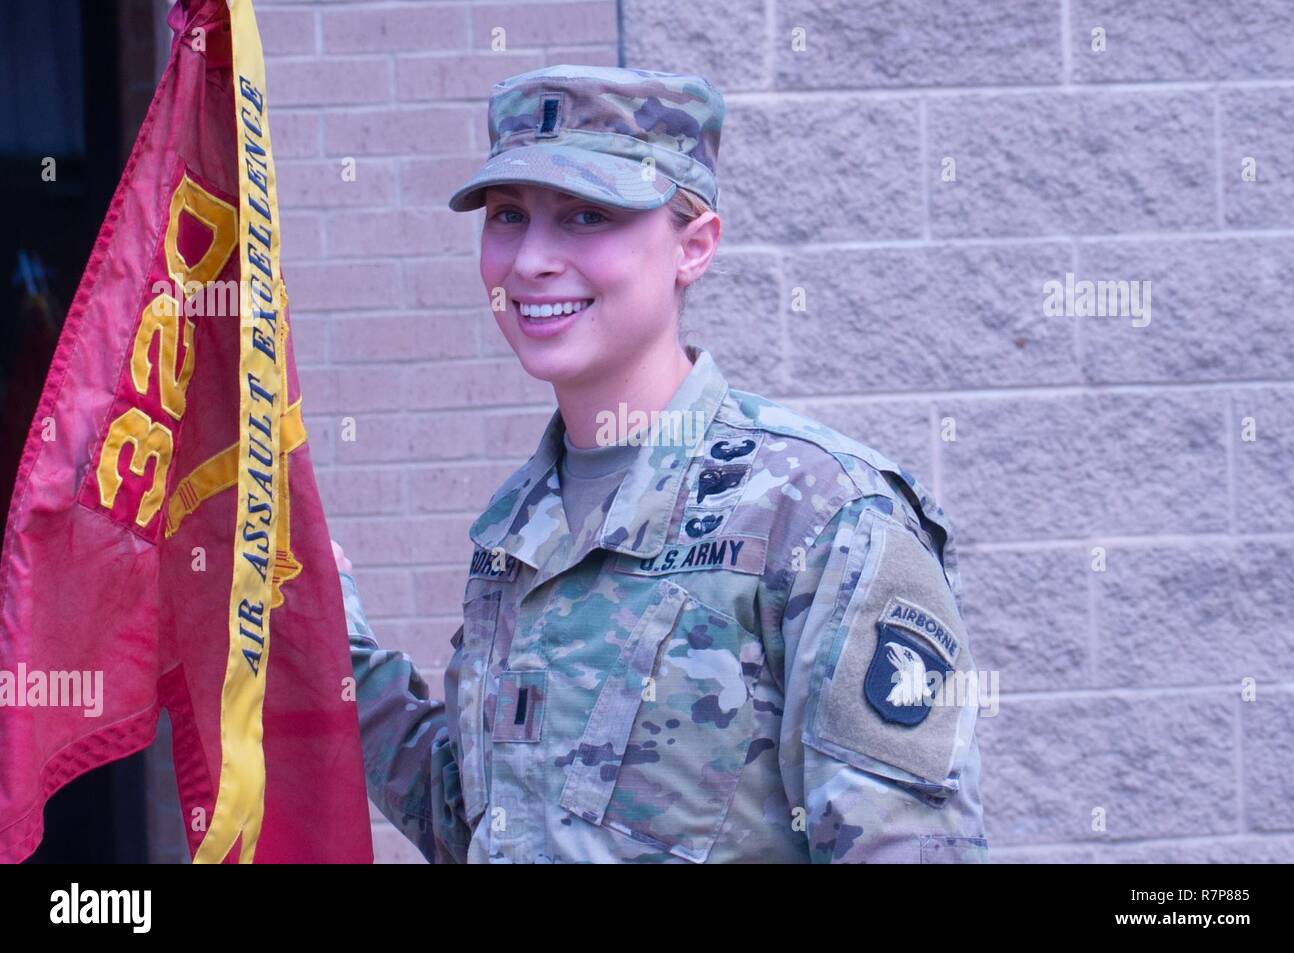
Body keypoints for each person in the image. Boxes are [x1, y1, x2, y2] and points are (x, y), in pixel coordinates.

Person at [338, 64, 989, 863]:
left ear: (695, 246)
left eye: (586, 215)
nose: (532, 260)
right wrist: (329, 640)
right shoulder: (521, 528)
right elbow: (484, 826)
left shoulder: (823, 515)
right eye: (509, 216)